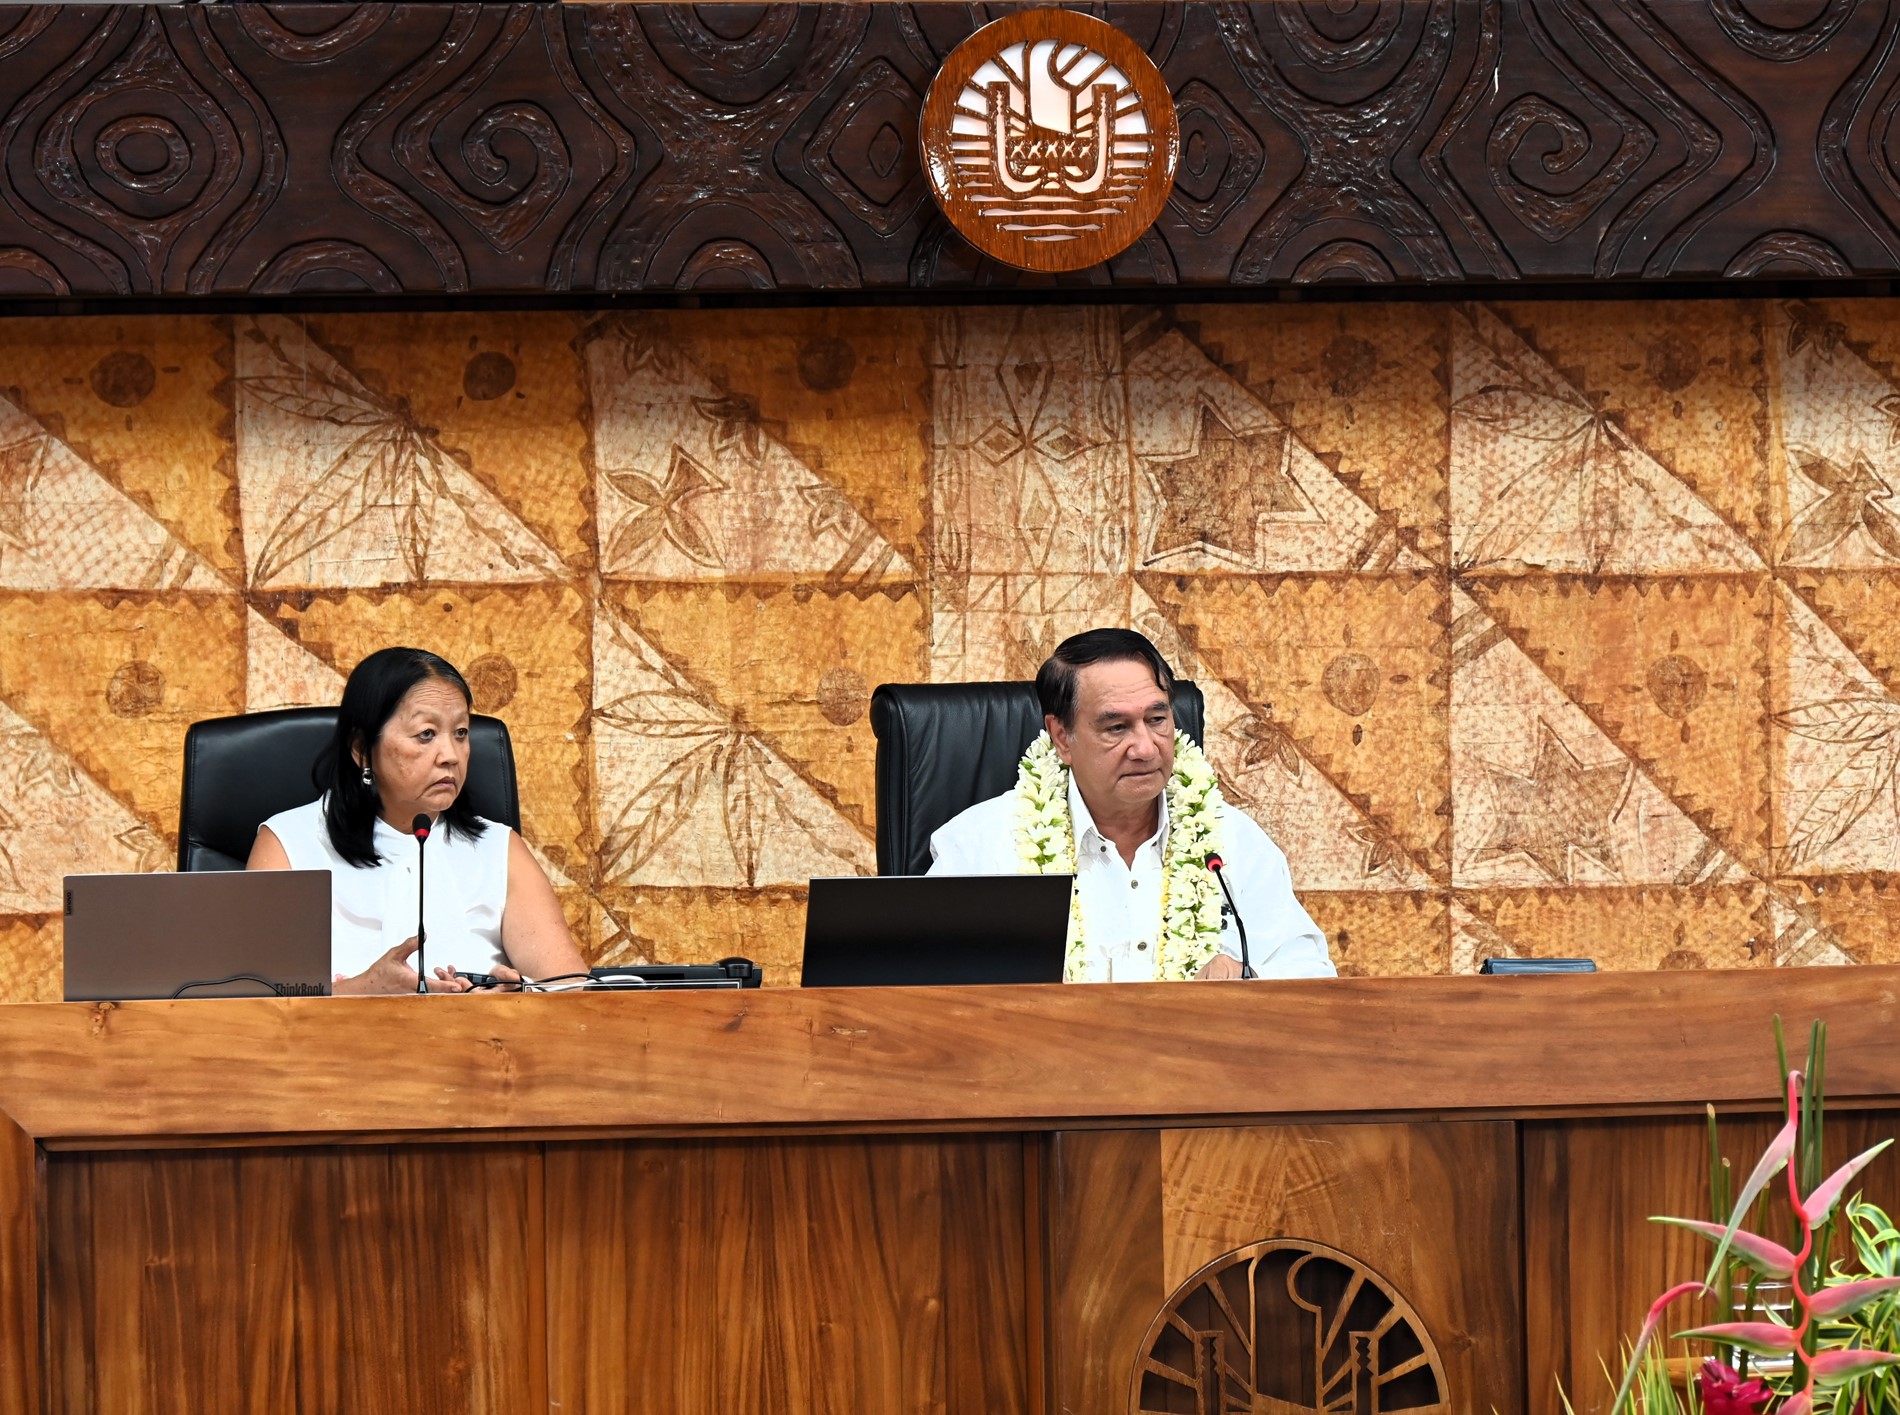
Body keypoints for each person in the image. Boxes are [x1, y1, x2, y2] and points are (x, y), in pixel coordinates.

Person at [928, 628, 1335, 982]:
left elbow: (1310, 978)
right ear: (1062, 737)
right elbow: (926, 988)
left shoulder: (1232, 843)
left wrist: (1251, 984)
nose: (1145, 748)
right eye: (1116, 727)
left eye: (1157, 720)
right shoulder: (979, 846)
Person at [246, 647, 588, 994]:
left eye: (461, 733)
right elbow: (251, 1003)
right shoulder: (289, 844)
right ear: (362, 749)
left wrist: (510, 1004)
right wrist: (364, 990)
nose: (451, 756)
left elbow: (572, 992)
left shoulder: (499, 849)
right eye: (426, 734)